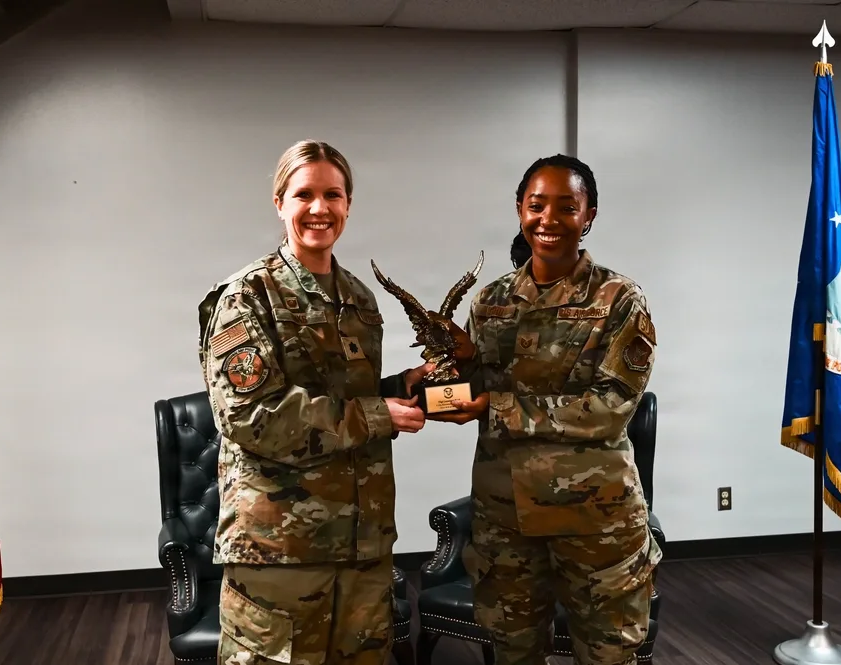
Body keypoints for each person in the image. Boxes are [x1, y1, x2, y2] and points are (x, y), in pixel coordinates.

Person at [197, 139, 432, 665]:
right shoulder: (246, 297)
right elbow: (252, 417)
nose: (320, 209)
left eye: (334, 194)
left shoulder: (358, 297)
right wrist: (378, 414)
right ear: (280, 202)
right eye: (304, 194)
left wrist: (402, 387)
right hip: (282, 553)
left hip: (362, 547)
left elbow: (345, 401)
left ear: (349, 204)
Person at [427, 153, 663, 665]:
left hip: (593, 520)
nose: (549, 219)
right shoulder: (490, 301)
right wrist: (451, 374)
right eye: (537, 205)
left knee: (608, 657)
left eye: (567, 206)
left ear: (589, 215)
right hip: (506, 519)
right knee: (514, 654)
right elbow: (480, 387)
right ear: (519, 210)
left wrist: (497, 406)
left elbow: (611, 407)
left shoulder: (619, 298)